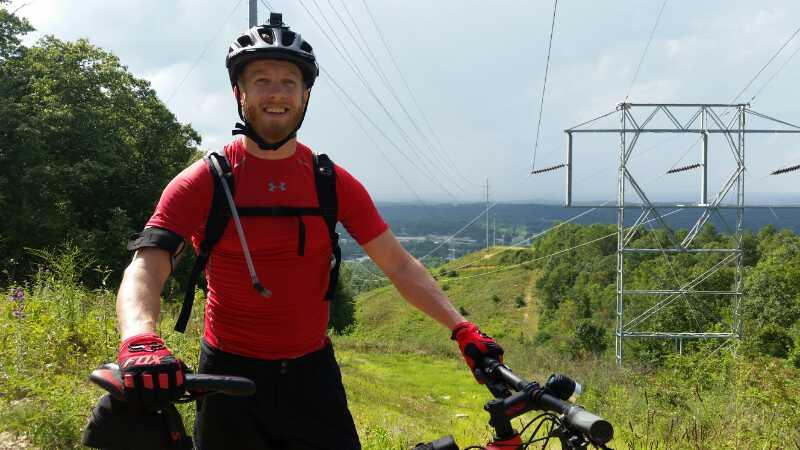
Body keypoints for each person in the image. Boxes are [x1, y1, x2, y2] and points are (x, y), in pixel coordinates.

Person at [115, 12, 503, 450]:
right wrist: (140, 337)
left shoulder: (330, 182)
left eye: (289, 82)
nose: (276, 93)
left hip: (312, 374)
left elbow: (399, 265)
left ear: (305, 95)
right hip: (227, 375)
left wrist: (461, 328)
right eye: (261, 80)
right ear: (238, 92)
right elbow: (147, 266)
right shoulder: (203, 181)